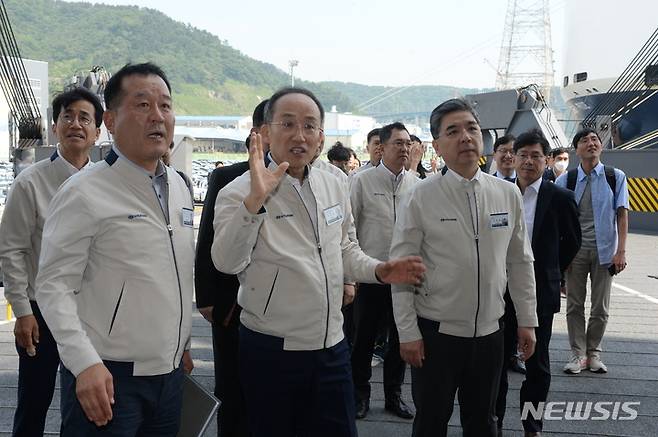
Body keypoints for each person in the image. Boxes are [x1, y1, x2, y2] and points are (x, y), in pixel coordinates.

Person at [211, 87, 426, 437]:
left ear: (321, 137)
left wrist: (378, 270)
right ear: (265, 133)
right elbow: (226, 261)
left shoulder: (335, 182)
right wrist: (255, 202)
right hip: (271, 348)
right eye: (288, 124)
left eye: (310, 126)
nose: (300, 135)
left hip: (331, 345)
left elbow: (344, 248)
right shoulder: (238, 191)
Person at [35, 62, 194, 435]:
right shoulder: (84, 191)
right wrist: (84, 362)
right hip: (106, 376)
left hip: (169, 376)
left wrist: (181, 342)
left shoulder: (181, 187)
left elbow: (176, 271)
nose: (158, 116)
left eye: (166, 106)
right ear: (110, 119)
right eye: (142, 105)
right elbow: (53, 285)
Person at [391, 98, 538, 437]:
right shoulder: (420, 196)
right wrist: (408, 332)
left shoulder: (507, 194)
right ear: (437, 146)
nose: (466, 137)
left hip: (490, 335)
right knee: (430, 421)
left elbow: (520, 261)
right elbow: (402, 269)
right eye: (453, 131)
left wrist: (527, 321)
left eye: (472, 128)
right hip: (435, 336)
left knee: (483, 422)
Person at [0, 88, 102, 437]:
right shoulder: (30, 182)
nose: (76, 123)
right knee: (35, 401)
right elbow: (11, 249)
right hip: (40, 311)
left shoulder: (105, 183)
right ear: (55, 127)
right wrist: (22, 311)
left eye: (85, 118)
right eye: (68, 116)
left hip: (89, 309)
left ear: (98, 132)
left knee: (86, 402)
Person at [496, 129, 581, 436]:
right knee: (497, 360)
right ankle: (494, 419)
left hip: (539, 291)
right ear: (513, 158)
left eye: (535, 156)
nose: (528, 161)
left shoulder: (559, 197)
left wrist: (552, 271)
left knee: (537, 362)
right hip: (499, 289)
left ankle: (532, 424)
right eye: (523, 155)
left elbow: (572, 241)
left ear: (546, 161)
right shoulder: (499, 191)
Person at [195, 99, 268, 437]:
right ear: (257, 133)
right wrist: (206, 297)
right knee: (232, 388)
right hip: (230, 305)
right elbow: (207, 237)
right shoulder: (227, 177)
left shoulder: (310, 182)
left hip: (277, 310)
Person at [349, 122, 418, 420]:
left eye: (407, 144)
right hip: (371, 274)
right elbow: (348, 230)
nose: (404, 149)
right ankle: (359, 396)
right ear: (382, 146)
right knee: (363, 339)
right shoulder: (362, 181)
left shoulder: (417, 184)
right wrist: (352, 275)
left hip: (404, 277)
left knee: (402, 338)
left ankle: (394, 395)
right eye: (398, 143)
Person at [556, 128, 629, 374]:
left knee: (600, 307)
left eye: (595, 139)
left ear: (601, 146)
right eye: (585, 140)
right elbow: (557, 220)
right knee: (574, 305)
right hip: (575, 252)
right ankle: (578, 354)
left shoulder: (615, 176)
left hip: (605, 251)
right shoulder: (566, 179)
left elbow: (622, 214)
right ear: (576, 150)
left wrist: (621, 251)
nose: (591, 143)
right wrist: (560, 256)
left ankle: (594, 353)